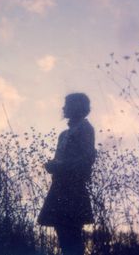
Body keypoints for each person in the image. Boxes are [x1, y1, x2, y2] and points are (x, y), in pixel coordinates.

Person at [38, 93, 96, 255]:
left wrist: (59, 167)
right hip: (60, 186)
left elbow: (86, 159)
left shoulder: (85, 129)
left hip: (73, 187)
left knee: (71, 233)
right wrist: (53, 165)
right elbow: (62, 160)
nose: (64, 108)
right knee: (63, 233)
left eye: (67, 104)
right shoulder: (64, 134)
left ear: (78, 106)